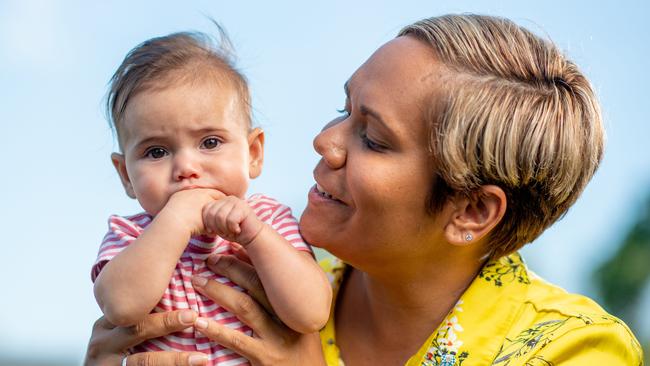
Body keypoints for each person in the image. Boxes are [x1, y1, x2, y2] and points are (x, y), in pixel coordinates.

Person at [85, 14, 644, 366]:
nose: (323, 141)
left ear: (471, 209)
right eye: (341, 110)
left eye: (373, 138)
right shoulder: (269, 279)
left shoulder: (574, 350)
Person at [90, 29, 332, 365]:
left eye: (210, 142)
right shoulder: (129, 235)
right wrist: (175, 221)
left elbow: (311, 313)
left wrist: (256, 236)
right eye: (156, 151)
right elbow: (121, 306)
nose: (186, 167)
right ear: (126, 175)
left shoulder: (269, 220)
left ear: (253, 153)